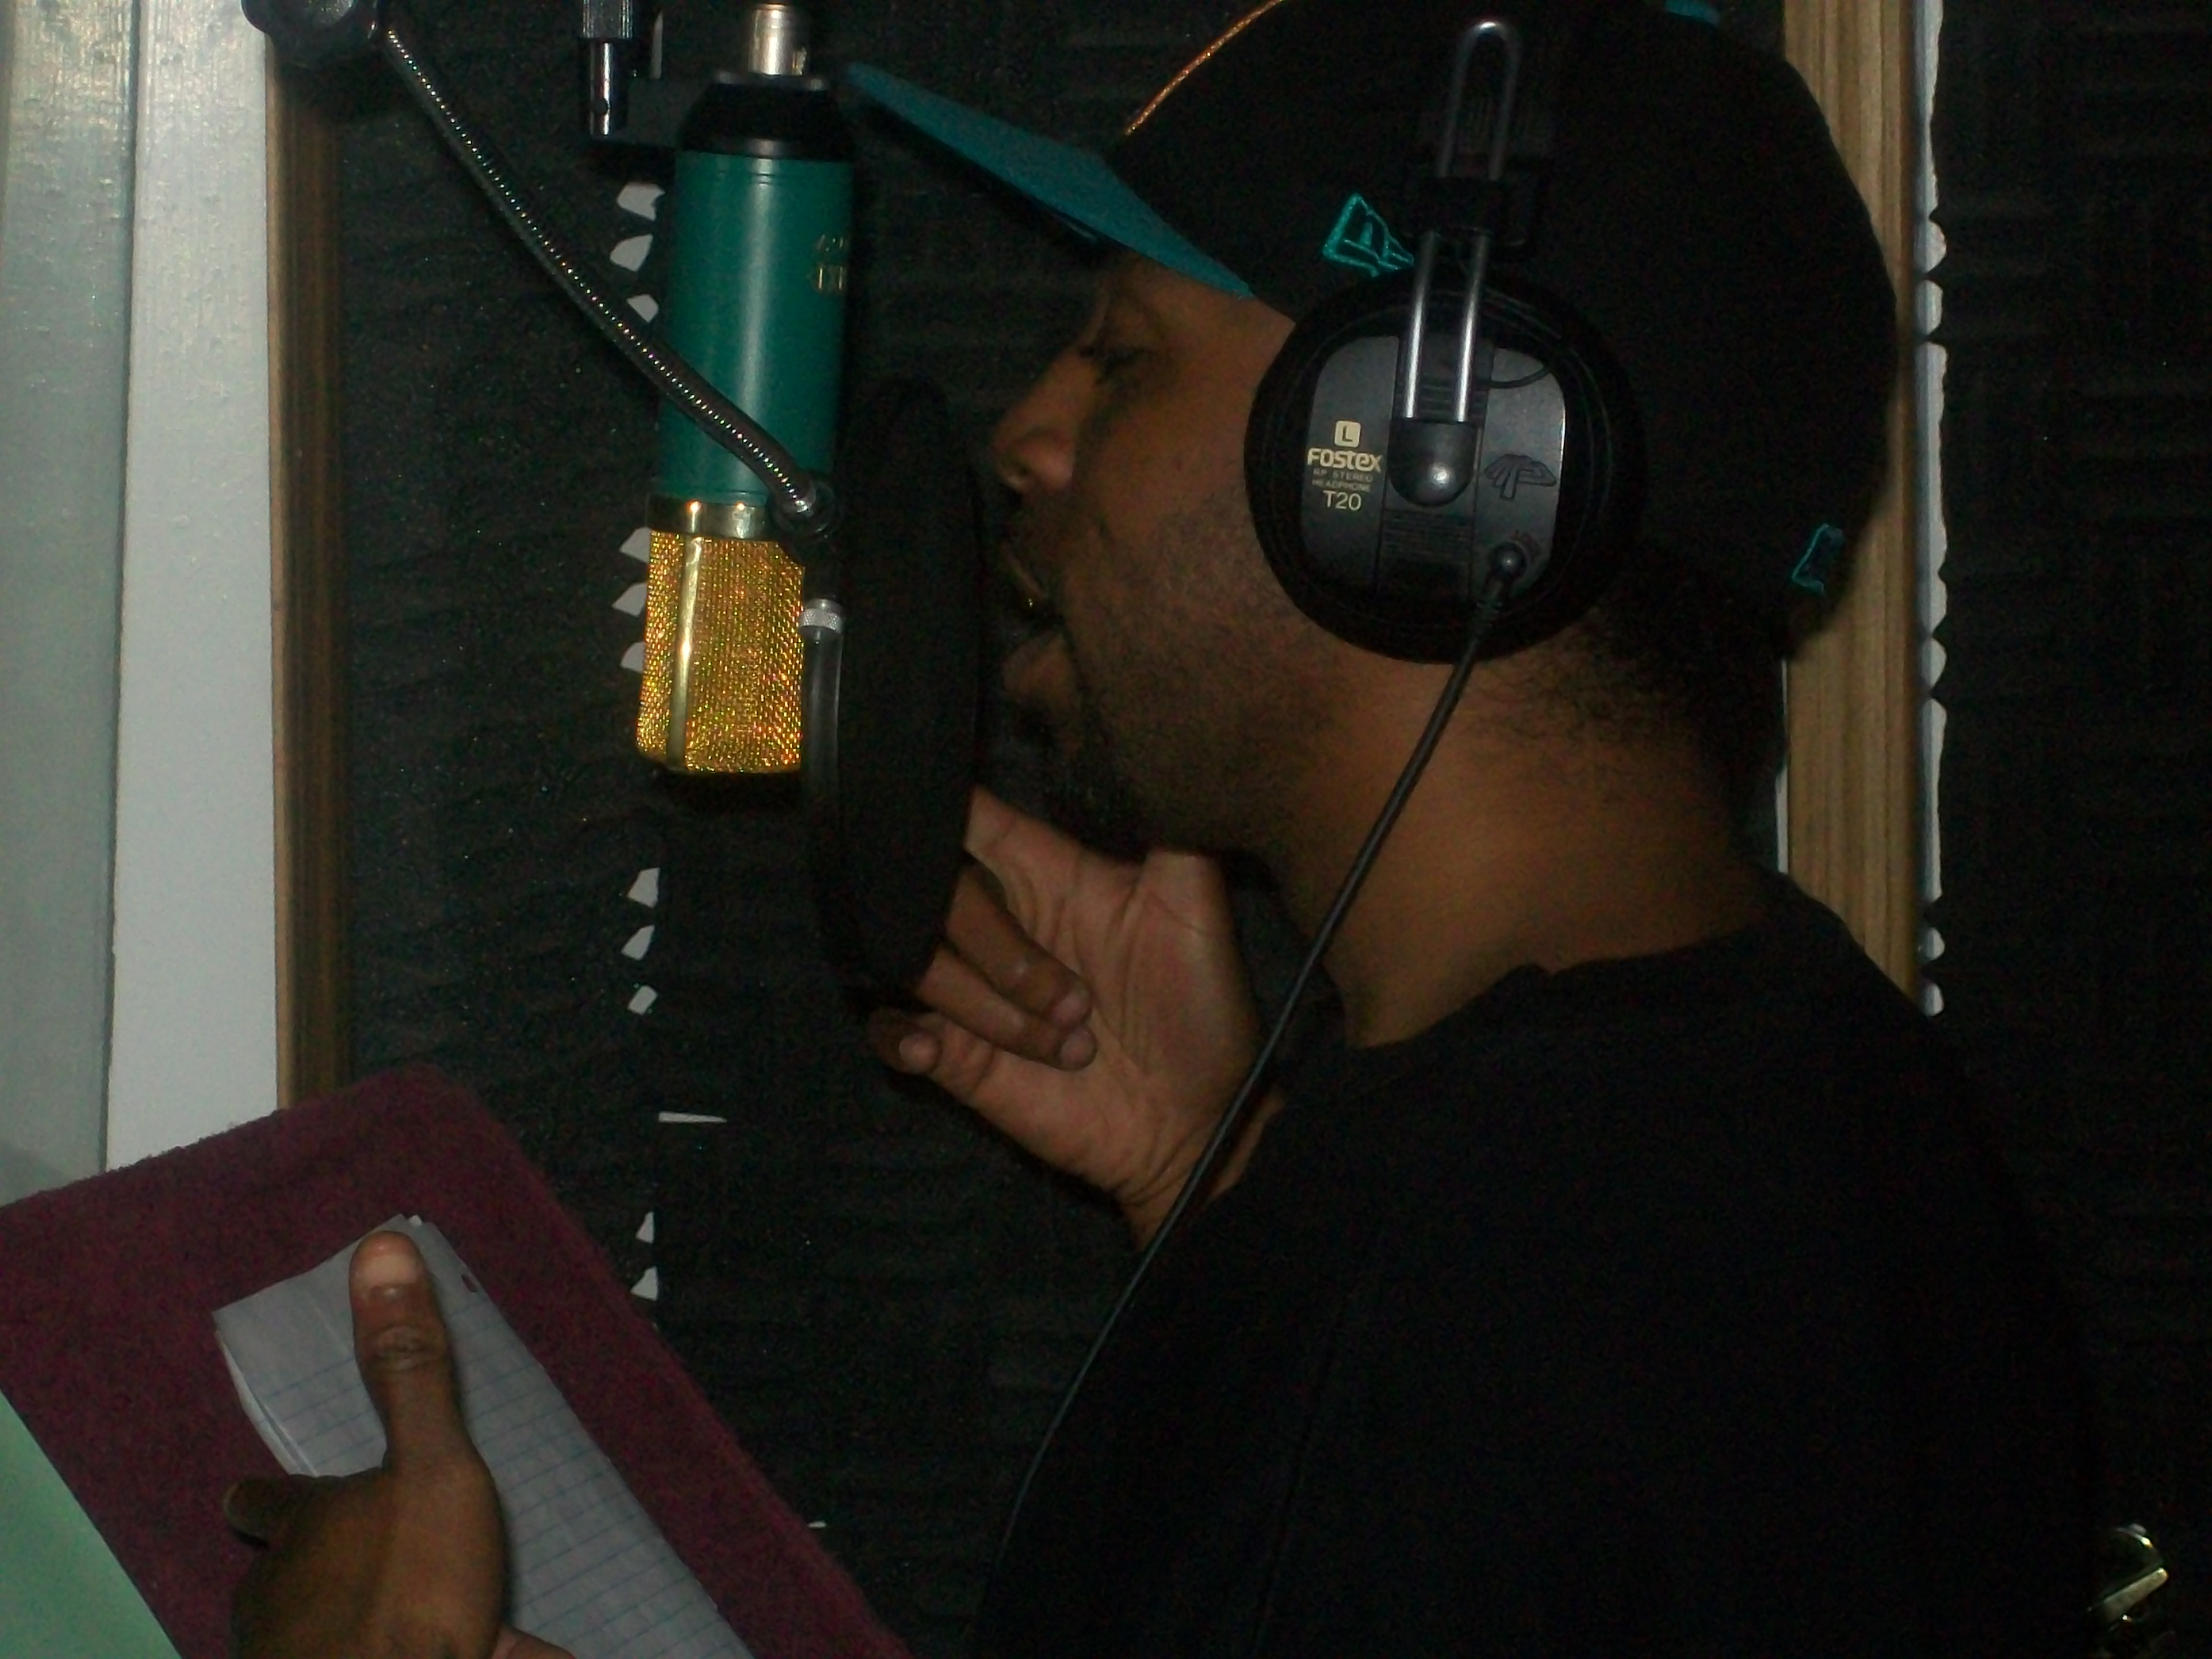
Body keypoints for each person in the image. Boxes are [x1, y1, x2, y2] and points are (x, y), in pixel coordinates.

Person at [225, 2, 2093, 1655]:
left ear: (1437, 463)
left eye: (1120, 356)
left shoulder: (1434, 1347)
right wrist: (1218, 1179)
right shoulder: (1823, 1102)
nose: (1026, 438)